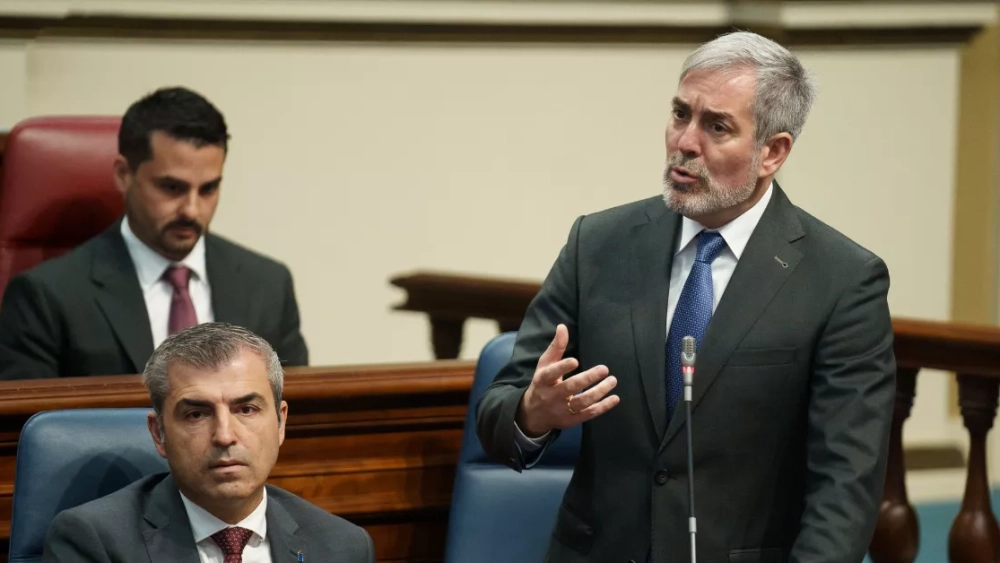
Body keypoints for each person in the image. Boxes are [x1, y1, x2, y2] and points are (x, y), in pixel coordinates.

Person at [476, 31, 895, 563]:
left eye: (717, 126)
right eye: (680, 115)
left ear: (773, 152)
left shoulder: (842, 281)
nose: (685, 142)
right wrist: (533, 412)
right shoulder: (598, 245)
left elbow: (844, 490)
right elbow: (497, 415)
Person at [0, 86, 308, 380]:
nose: (191, 209)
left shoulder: (268, 286)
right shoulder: (46, 297)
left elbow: (296, 415)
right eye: (172, 188)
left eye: (208, 189)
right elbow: (28, 428)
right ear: (124, 175)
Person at [43, 322, 374, 562]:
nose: (225, 435)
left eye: (246, 409)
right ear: (158, 433)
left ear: (280, 422)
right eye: (196, 415)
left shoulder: (341, 547)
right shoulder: (95, 542)